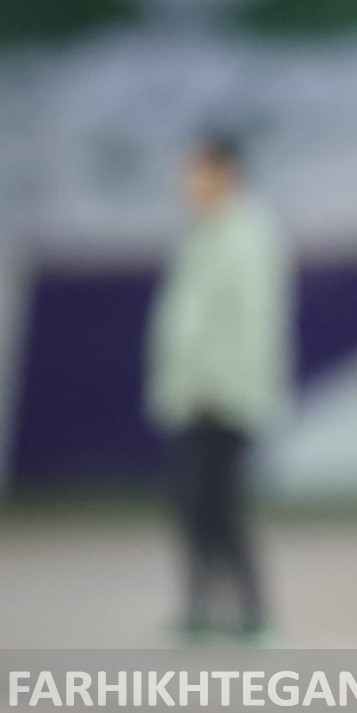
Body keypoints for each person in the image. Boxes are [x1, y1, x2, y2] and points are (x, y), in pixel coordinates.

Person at [145, 131, 292, 640]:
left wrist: (220, 389)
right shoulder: (201, 231)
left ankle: (252, 613)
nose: (187, 179)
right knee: (194, 507)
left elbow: (253, 324)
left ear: (225, 171)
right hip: (192, 396)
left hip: (223, 399)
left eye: (197, 168)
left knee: (221, 507)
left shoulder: (247, 233)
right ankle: (202, 607)